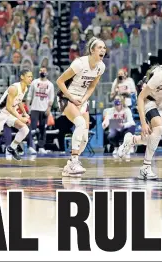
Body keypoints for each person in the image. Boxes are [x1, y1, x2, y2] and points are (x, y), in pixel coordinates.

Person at [55, 36, 106, 177]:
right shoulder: (79, 63)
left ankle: (70, 165)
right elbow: (59, 81)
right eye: (100, 47)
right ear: (92, 50)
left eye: (104, 48)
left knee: (84, 136)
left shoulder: (101, 67)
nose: (103, 50)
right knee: (80, 123)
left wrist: (83, 99)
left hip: (81, 99)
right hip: (66, 97)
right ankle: (75, 161)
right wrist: (72, 98)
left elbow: (92, 86)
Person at [26, 66, 55, 154]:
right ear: (39, 72)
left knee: (43, 128)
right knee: (32, 128)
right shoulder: (34, 82)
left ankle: (41, 146)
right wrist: (28, 107)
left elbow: (51, 98)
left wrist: (49, 109)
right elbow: (29, 95)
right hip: (34, 108)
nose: (42, 72)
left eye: (44, 70)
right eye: (41, 70)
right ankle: (31, 146)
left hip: (44, 109)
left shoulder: (50, 84)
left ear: (47, 72)